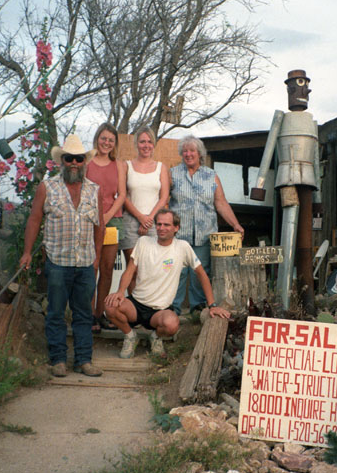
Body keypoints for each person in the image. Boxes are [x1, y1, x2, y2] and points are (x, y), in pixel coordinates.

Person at [19, 134, 104, 378]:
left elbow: (100, 226)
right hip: (57, 261)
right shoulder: (48, 187)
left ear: (84, 161)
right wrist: (27, 252)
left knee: (83, 314)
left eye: (78, 159)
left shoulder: (94, 191)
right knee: (56, 312)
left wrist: (97, 258)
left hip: (85, 262)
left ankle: (84, 360)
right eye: (69, 159)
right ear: (62, 161)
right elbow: (35, 219)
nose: (74, 163)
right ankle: (58, 360)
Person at [104, 209, 231, 359]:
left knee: (172, 325)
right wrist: (120, 292)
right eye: (158, 224)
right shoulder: (143, 242)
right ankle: (130, 336)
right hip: (136, 305)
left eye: (166, 225)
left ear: (176, 228)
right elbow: (130, 270)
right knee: (110, 306)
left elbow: (202, 274)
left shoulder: (182, 247)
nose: (161, 228)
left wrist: (212, 305)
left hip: (160, 311)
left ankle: (156, 337)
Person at [169, 135, 243, 315]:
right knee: (177, 272)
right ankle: (172, 309)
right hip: (179, 235)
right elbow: (163, 199)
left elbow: (221, 203)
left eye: (192, 150)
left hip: (204, 234)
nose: (188, 154)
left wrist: (236, 224)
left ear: (199, 153)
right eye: (185, 151)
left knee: (199, 273)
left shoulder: (211, 176)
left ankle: (198, 309)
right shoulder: (172, 174)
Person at [85, 122, 127, 331]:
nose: (107, 143)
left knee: (107, 268)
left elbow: (122, 195)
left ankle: (100, 313)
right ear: (97, 138)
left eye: (111, 140)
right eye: (104, 138)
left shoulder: (118, 164)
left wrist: (109, 214)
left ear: (114, 143)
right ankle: (88, 314)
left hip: (112, 220)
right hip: (89, 221)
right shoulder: (87, 161)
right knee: (91, 267)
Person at [120, 125, 170, 293]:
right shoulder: (126, 166)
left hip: (155, 223)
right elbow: (123, 196)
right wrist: (141, 217)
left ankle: (151, 309)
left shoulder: (161, 167)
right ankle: (134, 310)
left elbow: (164, 197)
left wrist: (149, 220)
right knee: (132, 270)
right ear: (136, 144)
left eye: (149, 142)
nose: (146, 145)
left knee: (152, 269)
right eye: (142, 141)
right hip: (131, 222)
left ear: (154, 144)